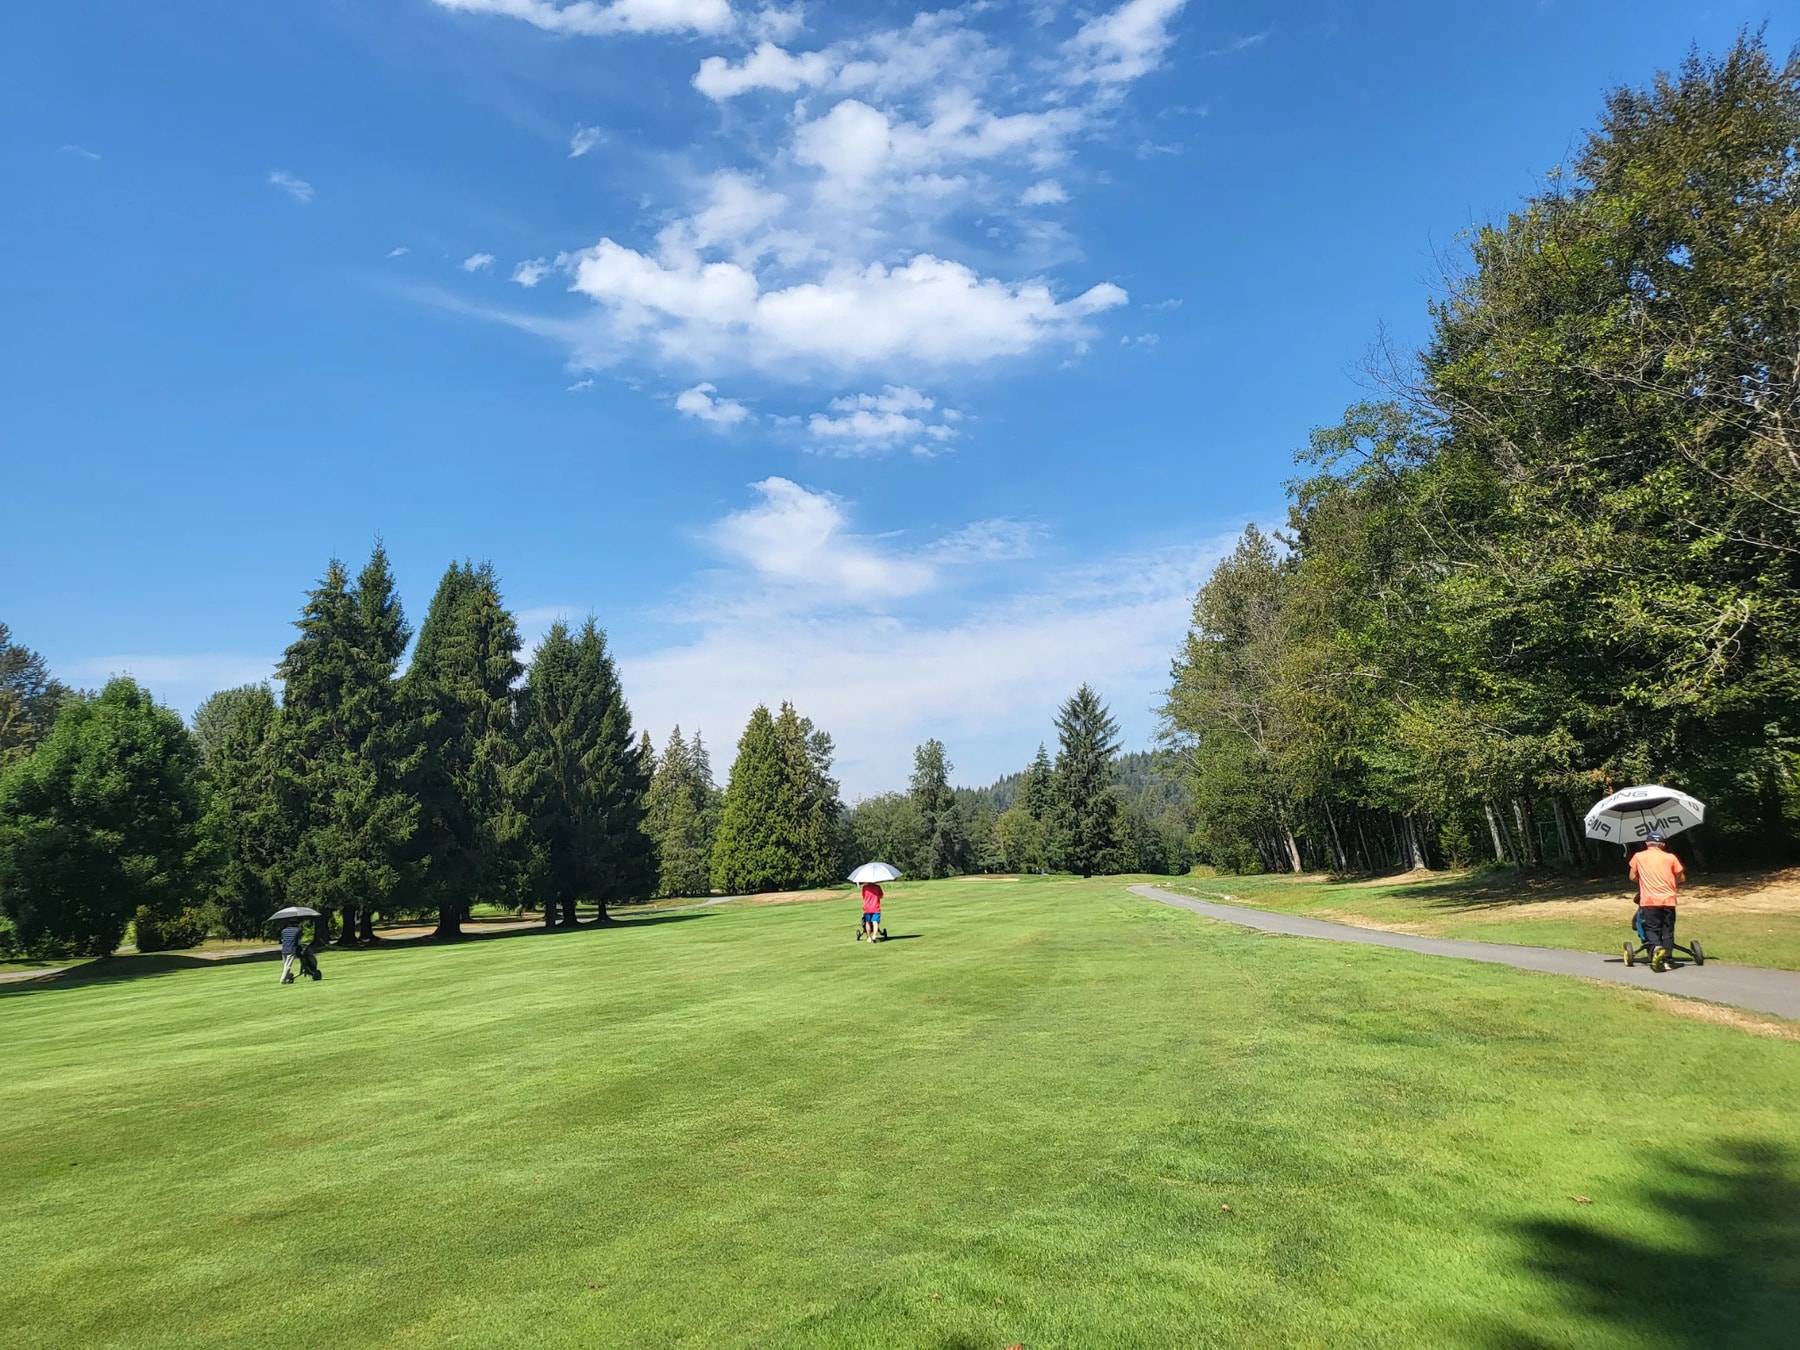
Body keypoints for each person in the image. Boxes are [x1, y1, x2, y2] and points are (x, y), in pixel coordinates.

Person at [1629, 831, 1687, 972]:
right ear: (1663, 844)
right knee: (1668, 929)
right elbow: (1681, 878)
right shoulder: (1671, 857)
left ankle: (1656, 946)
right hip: (1668, 899)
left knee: (1651, 928)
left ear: (1647, 843)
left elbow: (1632, 876)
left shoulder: (1638, 857)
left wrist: (1643, 880)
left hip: (1649, 900)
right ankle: (1668, 959)